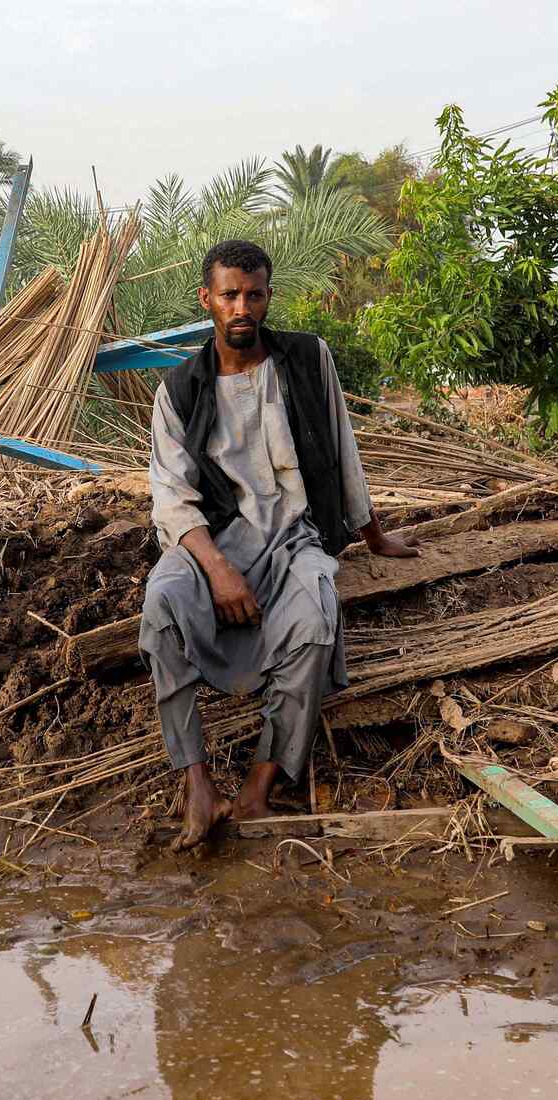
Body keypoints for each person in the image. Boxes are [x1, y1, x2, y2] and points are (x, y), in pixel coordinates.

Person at [140, 239, 417, 850]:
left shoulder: (306, 360)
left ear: (269, 297)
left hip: (296, 536)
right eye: (230, 294)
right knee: (161, 605)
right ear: (207, 299)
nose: (243, 306)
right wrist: (216, 570)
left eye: (254, 294)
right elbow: (172, 496)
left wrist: (372, 533)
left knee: (317, 619)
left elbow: (342, 447)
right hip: (212, 542)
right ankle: (198, 785)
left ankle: (259, 786)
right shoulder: (180, 391)